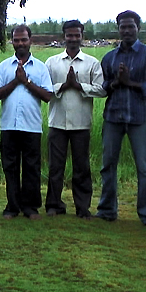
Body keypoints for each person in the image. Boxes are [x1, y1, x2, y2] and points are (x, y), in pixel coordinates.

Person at [96, 10, 146, 226]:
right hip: (113, 117)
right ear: (118, 29)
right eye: (122, 27)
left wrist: (132, 84)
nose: (126, 30)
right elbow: (103, 86)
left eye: (130, 26)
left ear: (138, 28)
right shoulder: (109, 57)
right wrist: (116, 83)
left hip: (139, 118)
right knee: (108, 164)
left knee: (144, 167)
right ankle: (107, 210)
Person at [45, 20, 106, 219]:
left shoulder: (91, 63)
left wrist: (79, 86)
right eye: (69, 35)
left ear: (82, 36)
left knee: (81, 167)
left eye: (76, 35)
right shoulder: (52, 62)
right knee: (56, 167)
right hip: (57, 122)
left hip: (81, 123)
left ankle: (82, 207)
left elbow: (101, 89)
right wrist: (63, 86)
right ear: (64, 37)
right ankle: (54, 205)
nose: (73, 39)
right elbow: (44, 89)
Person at [0, 24, 53, 219]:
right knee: (10, 167)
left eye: (23, 39)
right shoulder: (3, 67)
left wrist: (26, 82)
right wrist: (15, 81)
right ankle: (12, 206)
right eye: (16, 40)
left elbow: (47, 96)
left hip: (31, 126)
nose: (20, 43)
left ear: (30, 41)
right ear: (12, 42)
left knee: (31, 167)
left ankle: (30, 207)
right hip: (9, 125)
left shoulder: (40, 67)